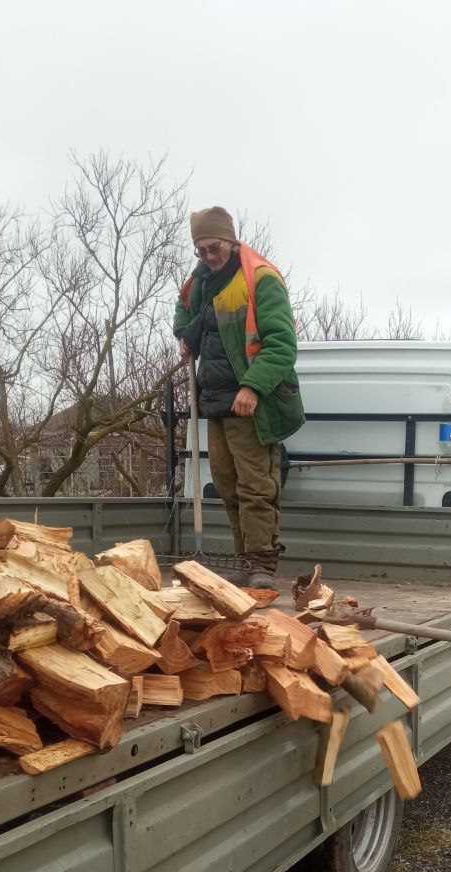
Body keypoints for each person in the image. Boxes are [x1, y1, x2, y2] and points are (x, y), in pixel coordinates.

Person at [173, 206, 304, 587]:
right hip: (214, 399)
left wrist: (253, 387)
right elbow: (182, 313)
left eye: (214, 247)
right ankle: (245, 562)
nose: (208, 256)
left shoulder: (260, 279)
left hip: (251, 400)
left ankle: (261, 565)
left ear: (230, 240)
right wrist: (184, 336)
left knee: (255, 484)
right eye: (200, 250)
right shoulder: (198, 282)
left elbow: (282, 344)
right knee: (228, 484)